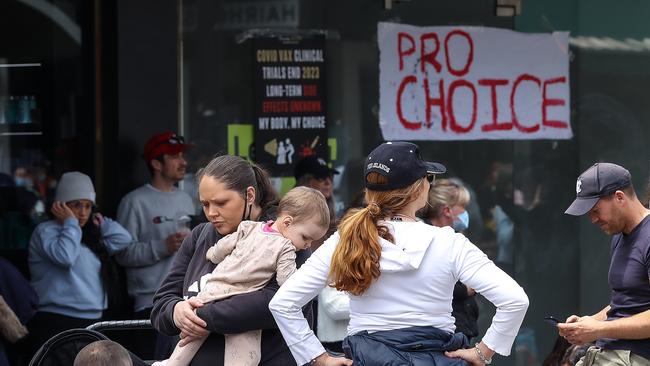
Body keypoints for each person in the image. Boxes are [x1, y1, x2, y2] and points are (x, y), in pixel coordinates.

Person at [269, 141, 530, 366]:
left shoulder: (346, 239)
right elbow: (515, 300)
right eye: (429, 178)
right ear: (418, 189)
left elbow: (283, 303)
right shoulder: (448, 243)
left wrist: (317, 357)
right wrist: (483, 352)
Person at [150, 154, 314, 365]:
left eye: (221, 203)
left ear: (250, 195)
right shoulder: (199, 235)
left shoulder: (288, 237)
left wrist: (199, 314)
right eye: (205, 204)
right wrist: (176, 312)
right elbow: (162, 303)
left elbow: (276, 303)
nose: (211, 213)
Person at [26, 172, 132, 355]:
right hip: (55, 318)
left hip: (92, 320)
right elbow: (65, 256)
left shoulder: (89, 234)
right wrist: (70, 223)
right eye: (76, 205)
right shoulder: (46, 231)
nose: (83, 212)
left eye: (88, 206)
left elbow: (124, 239)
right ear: (61, 205)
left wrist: (103, 224)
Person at [559, 162, 650, 365]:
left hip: (636, 356)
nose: (592, 219)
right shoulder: (619, 236)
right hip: (606, 351)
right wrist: (588, 322)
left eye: (595, 210)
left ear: (619, 197)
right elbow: (626, 303)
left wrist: (599, 329)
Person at [115, 131, 195, 319]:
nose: (183, 162)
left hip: (185, 298)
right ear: (156, 164)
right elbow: (122, 254)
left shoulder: (186, 199)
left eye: (182, 156)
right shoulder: (134, 201)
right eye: (174, 156)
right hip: (148, 302)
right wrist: (163, 246)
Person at [419, 178, 480, 342]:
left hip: (461, 328)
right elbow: (428, 282)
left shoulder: (455, 238)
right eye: (463, 208)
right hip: (443, 332)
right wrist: (464, 290)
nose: (466, 213)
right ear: (447, 211)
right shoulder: (425, 239)